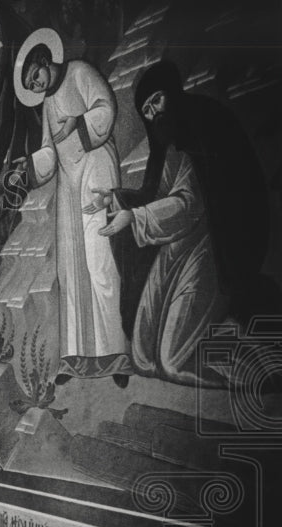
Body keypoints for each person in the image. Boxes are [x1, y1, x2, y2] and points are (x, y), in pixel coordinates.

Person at [93, 62, 241, 387]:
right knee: (144, 358)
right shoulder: (168, 147)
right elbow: (156, 195)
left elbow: (188, 204)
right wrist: (117, 199)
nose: (154, 113)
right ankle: (219, 333)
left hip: (211, 247)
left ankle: (252, 366)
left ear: (172, 94)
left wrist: (134, 217)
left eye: (157, 100)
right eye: (146, 110)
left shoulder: (201, 129)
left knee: (172, 362)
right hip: (175, 249)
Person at [15, 28, 131, 387]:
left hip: (95, 167)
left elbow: (105, 108)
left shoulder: (80, 72)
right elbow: (50, 148)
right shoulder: (49, 103)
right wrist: (27, 170)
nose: (36, 87)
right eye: (32, 85)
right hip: (67, 184)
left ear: (44, 61)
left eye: (36, 77)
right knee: (71, 270)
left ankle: (117, 354)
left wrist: (77, 126)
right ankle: (75, 357)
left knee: (100, 263)